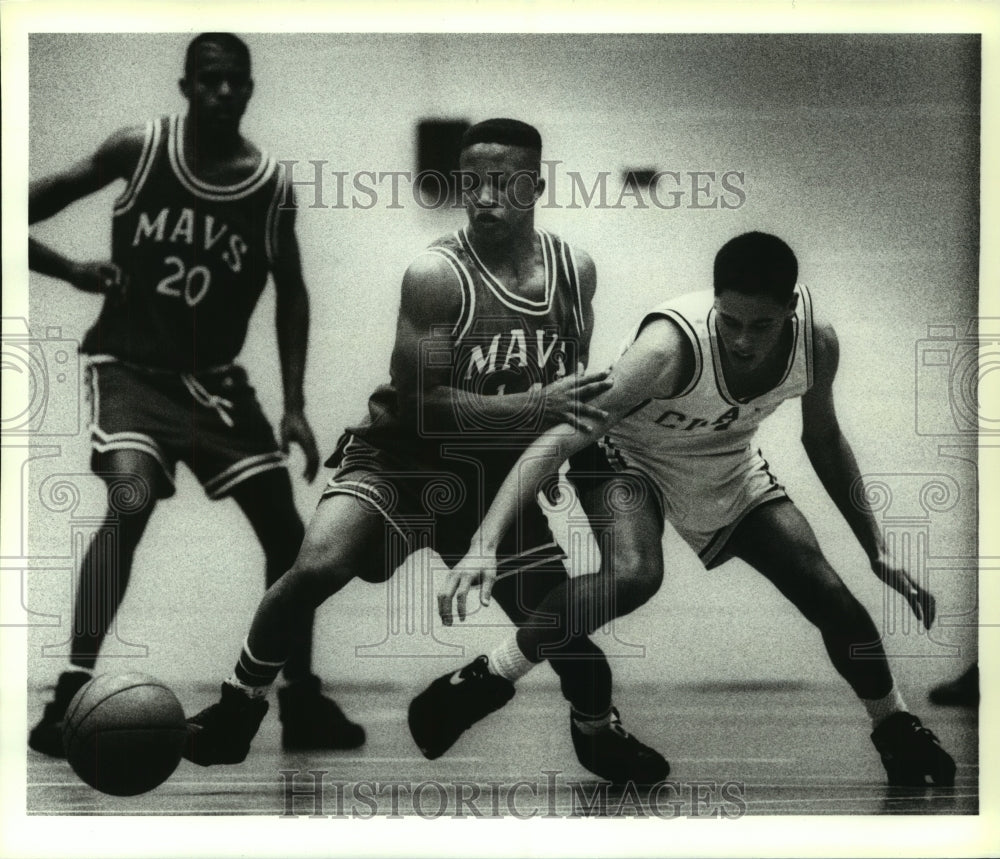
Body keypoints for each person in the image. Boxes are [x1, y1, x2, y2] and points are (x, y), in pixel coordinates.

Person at [182, 118, 669, 785]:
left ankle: (597, 732)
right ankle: (237, 708)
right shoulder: (437, 275)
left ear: (537, 185)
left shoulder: (572, 271)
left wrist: (547, 448)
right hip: (403, 459)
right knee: (316, 564)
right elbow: (424, 406)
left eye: (504, 183)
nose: (486, 199)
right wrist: (535, 409)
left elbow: (569, 394)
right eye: (472, 184)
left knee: (569, 641)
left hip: (488, 479)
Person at [424, 231, 956, 787]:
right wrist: (483, 546)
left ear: (791, 309)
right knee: (634, 575)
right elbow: (559, 439)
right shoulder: (667, 348)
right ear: (714, 302)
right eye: (730, 321)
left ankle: (895, 726)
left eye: (762, 325)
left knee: (827, 591)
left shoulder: (817, 343)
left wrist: (879, 549)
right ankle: (488, 676)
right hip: (625, 454)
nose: (744, 340)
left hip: (723, 461)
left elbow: (823, 439)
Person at [28, 33, 363, 756]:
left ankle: (300, 698)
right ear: (185, 85)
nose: (221, 92)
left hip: (215, 385)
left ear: (249, 89)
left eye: (234, 81)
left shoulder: (270, 184)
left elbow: (292, 292)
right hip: (130, 367)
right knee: (131, 497)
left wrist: (296, 403)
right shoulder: (140, 149)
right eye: (208, 80)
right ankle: (68, 690)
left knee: (292, 535)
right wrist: (70, 271)